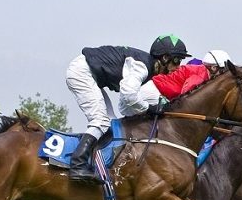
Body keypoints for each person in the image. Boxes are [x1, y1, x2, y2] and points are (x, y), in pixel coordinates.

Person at [65, 34, 192, 182]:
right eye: (177, 60)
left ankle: (95, 164)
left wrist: (147, 112)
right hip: (82, 73)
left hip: (89, 74)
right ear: (164, 58)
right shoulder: (142, 67)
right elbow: (129, 96)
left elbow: (125, 107)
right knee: (100, 121)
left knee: (111, 123)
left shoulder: (148, 69)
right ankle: (77, 166)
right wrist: (149, 108)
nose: (178, 67)